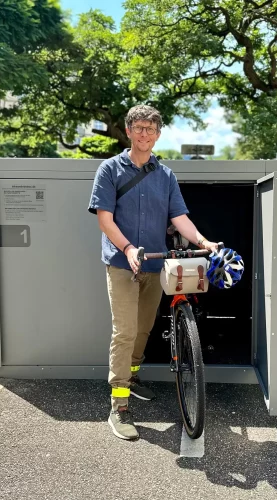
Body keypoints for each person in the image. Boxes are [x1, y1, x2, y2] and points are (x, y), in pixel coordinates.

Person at [88, 104, 218, 440]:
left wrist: (203, 240)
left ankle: (131, 377)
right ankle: (119, 405)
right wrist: (128, 248)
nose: (145, 133)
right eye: (139, 128)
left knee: (144, 329)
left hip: (155, 264)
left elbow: (179, 218)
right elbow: (105, 219)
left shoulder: (166, 175)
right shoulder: (110, 169)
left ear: (158, 135)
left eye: (151, 128)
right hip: (121, 264)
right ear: (129, 131)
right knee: (125, 331)